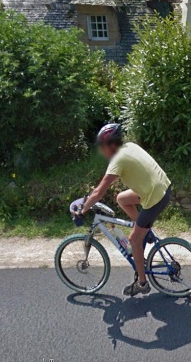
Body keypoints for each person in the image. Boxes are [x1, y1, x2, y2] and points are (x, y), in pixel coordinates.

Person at [73, 123, 172, 297]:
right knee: (121, 199)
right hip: (162, 188)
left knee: (134, 239)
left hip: (155, 198)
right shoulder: (130, 146)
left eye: (103, 147)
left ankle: (142, 283)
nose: (102, 151)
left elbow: (99, 192)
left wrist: (82, 211)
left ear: (111, 145)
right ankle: (145, 232)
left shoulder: (118, 160)